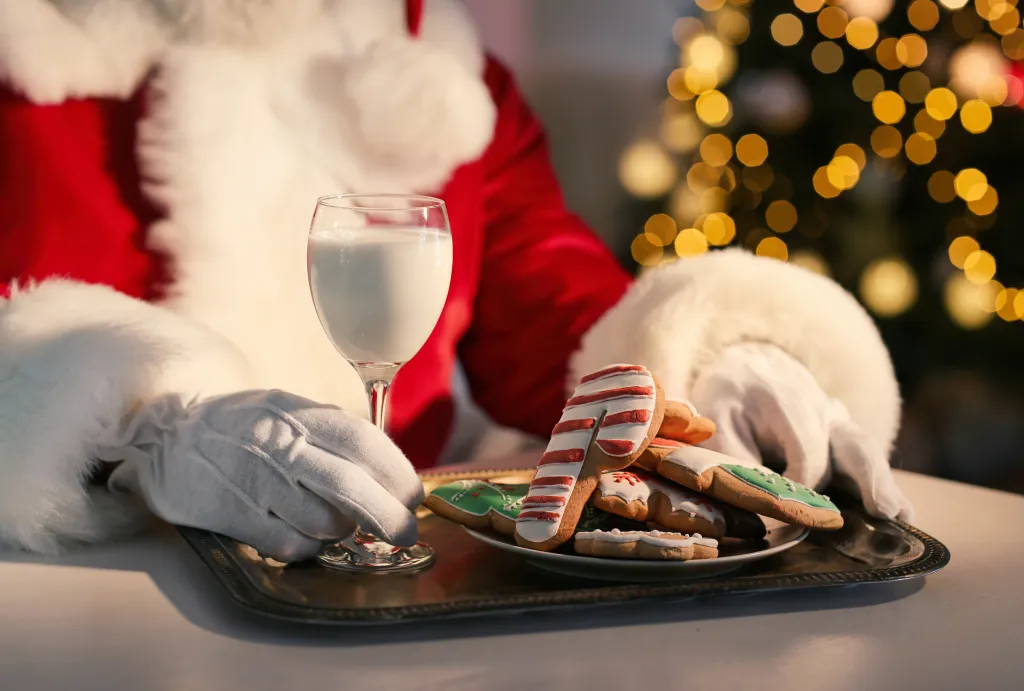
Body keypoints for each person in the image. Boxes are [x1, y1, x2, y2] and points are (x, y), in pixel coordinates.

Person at [0, 0, 911, 561]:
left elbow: (559, 301)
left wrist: (705, 366)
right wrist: (125, 432)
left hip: (412, 612)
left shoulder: (440, 71)